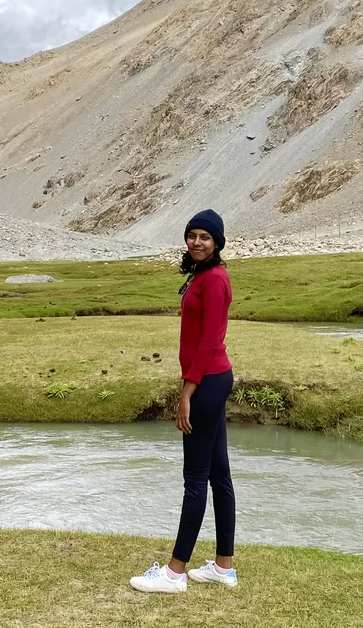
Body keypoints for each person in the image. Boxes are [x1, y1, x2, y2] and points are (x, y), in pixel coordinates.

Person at [130, 209, 238, 594]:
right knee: (219, 476)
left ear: (217, 243)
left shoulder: (215, 280)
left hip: (207, 383)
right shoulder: (202, 275)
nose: (196, 242)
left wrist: (186, 394)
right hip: (212, 379)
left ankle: (174, 574)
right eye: (192, 235)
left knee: (195, 479)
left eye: (205, 237)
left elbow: (210, 343)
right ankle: (223, 567)